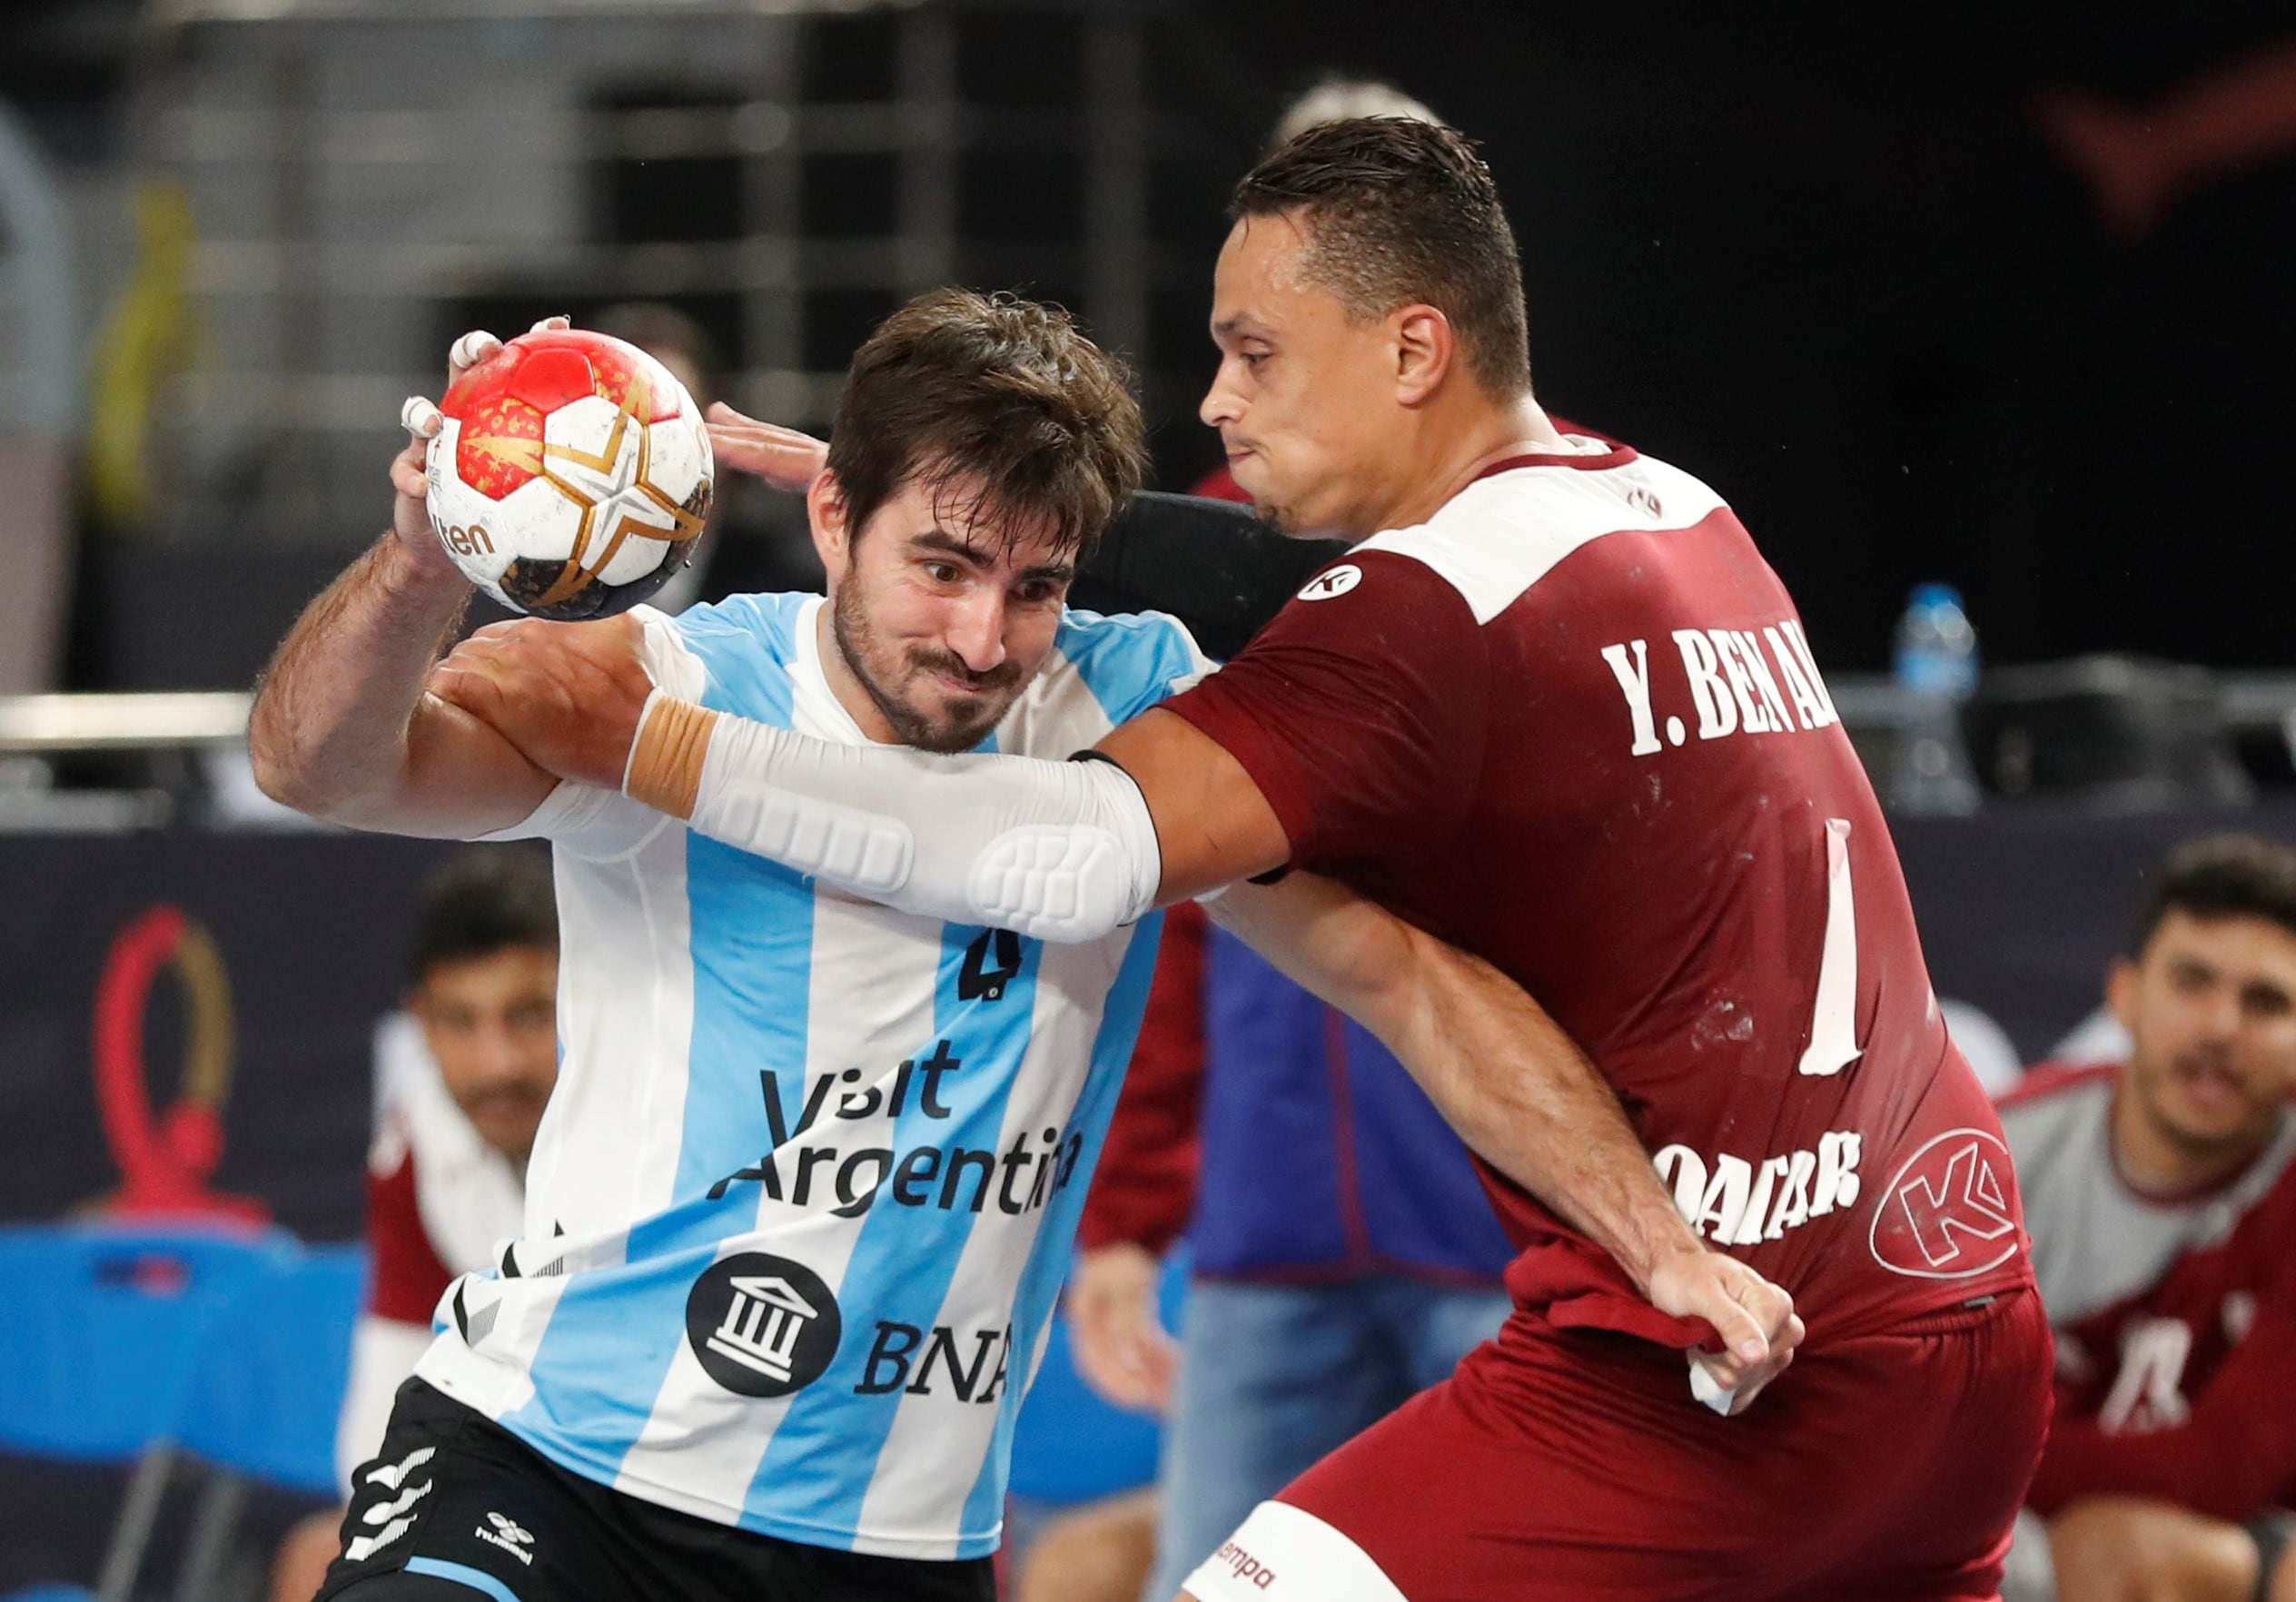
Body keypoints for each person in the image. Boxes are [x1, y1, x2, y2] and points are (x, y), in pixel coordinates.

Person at [451, 115, 2049, 1599]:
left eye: (1253, 350)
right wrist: (908, 485)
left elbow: (1072, 858)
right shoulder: (1664, 509)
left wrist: (653, 747)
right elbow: (1262, 567)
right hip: (1958, 1308)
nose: (1216, 400)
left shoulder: (1419, 620)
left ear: (1411, 347)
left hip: (1718, 1351)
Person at [250, 284, 1767, 1602]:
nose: (982, 640)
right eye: (942, 567)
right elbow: (316, 764)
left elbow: (1401, 975)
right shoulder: (668, 675)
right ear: (833, 512)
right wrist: (421, 561)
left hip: (894, 1538)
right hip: (556, 1463)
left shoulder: (1131, 712)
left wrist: (1659, 1240)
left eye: (1034, 584)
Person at [1997, 834, 2296, 1602]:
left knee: (2128, 1552)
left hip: (2237, 1530)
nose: (2221, 1027)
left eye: (2266, 1002)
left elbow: (2234, 1461)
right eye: (2192, 982)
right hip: (2000, 1515)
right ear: (2124, 995)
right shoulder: (1990, 1154)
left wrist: (1976, 1458)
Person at [270, 849, 556, 1602]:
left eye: (528, 1015)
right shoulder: (410, 1154)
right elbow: (381, 1421)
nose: (497, 1063)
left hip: (664, 1491)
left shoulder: (665, 1135)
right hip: (524, 1490)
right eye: (460, 1021)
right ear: (421, 1025)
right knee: (317, 1559)